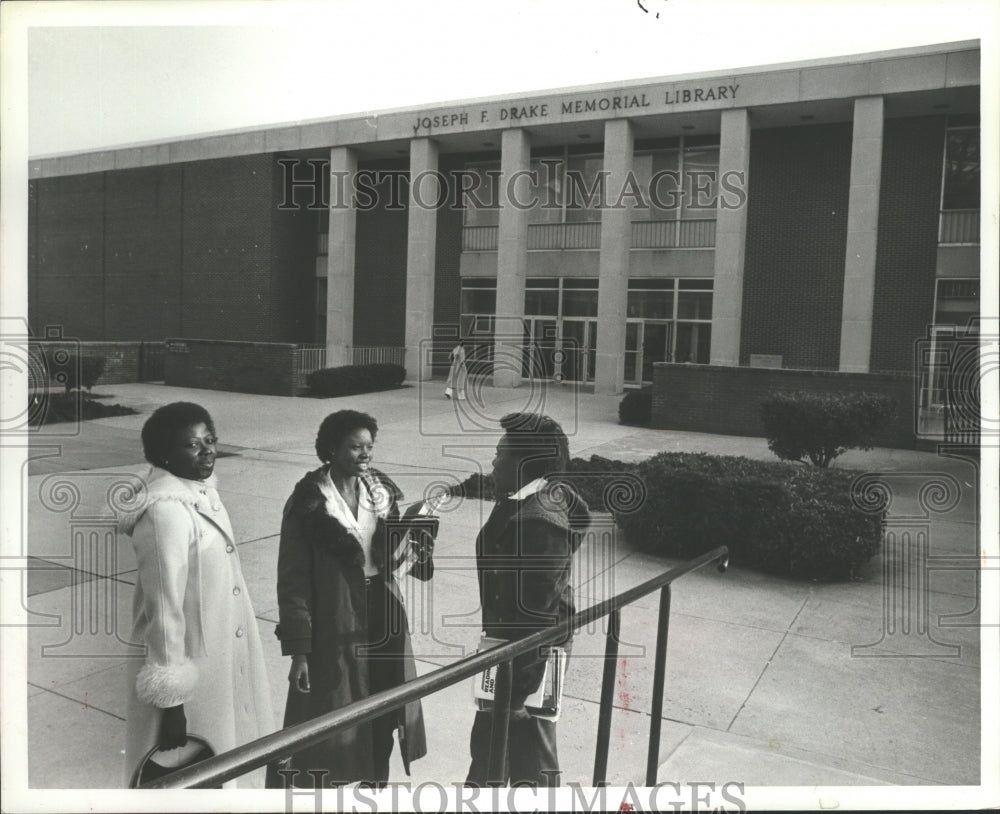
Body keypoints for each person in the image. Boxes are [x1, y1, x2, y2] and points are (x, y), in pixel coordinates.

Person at [273, 410, 435, 788]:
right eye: (354, 447)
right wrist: (299, 650)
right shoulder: (308, 503)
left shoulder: (381, 492)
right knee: (333, 716)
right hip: (335, 618)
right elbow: (293, 581)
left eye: (369, 447)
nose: (365, 455)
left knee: (385, 704)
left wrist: (418, 547)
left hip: (383, 609)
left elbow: (392, 557)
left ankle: (375, 787)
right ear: (331, 449)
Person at [119, 401, 273, 788]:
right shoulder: (165, 512)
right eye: (192, 445)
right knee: (191, 773)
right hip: (193, 667)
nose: (207, 451)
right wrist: (172, 703)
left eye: (210, 440)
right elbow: (164, 609)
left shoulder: (201, 494)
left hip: (221, 651)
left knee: (226, 762)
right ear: (164, 454)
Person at [465, 412, 591, 788]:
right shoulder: (520, 499)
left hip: (526, 663)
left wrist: (518, 695)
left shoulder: (539, 520)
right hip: (508, 650)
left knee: (528, 759)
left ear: (525, 463)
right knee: (498, 754)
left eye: (500, 453)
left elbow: (539, 619)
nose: (493, 461)